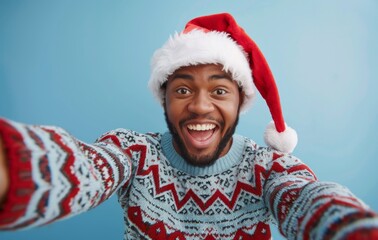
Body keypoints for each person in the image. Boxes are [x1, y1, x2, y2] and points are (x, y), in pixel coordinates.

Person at [0, 13, 377, 240]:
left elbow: (308, 199)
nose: (199, 105)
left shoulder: (270, 167)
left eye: (219, 90)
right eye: (182, 89)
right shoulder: (133, 153)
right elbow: (85, 168)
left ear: (239, 102)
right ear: (163, 99)